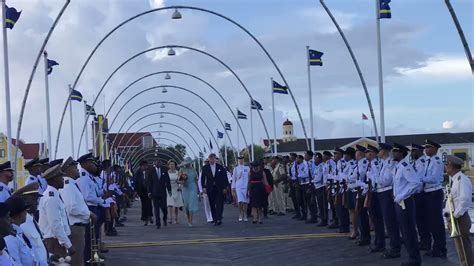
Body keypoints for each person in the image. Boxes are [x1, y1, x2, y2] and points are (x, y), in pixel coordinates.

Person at [60, 157, 97, 266]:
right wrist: (89, 213)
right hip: (75, 229)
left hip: (78, 227)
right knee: (76, 260)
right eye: (75, 168)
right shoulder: (68, 185)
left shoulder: (72, 184)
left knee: (79, 259)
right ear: (68, 170)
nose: (77, 170)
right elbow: (71, 208)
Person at [392, 143, 422, 266]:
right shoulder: (398, 166)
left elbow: (415, 182)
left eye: (395, 151)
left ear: (401, 153)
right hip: (399, 202)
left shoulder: (405, 166)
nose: (393, 153)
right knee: (404, 231)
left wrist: (402, 195)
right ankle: (412, 257)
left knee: (408, 231)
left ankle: (414, 259)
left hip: (405, 202)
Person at [38, 164, 76, 261]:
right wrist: (68, 244)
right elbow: (55, 224)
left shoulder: (54, 194)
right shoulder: (51, 198)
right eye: (60, 177)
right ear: (53, 180)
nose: (63, 179)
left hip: (57, 240)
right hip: (54, 242)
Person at [444, 155, 472, 266]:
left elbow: (465, 200)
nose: (446, 167)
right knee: (460, 248)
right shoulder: (455, 179)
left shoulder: (462, 180)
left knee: (464, 247)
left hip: (459, 218)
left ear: (452, 166)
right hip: (455, 217)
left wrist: (455, 215)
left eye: (447, 165)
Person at [12, 183, 48, 266]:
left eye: (37, 199)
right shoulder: (22, 223)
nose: (37, 203)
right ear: (24, 200)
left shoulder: (31, 219)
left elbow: (38, 247)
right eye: (33, 199)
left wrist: (49, 257)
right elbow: (28, 253)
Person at [422, 139, 447, 258]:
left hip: (434, 193)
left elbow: (434, 178)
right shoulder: (428, 161)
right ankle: (435, 247)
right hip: (427, 193)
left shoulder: (436, 162)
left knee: (436, 223)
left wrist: (420, 178)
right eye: (425, 147)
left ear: (435, 149)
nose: (426, 149)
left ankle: (440, 248)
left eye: (428, 147)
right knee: (430, 222)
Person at [377, 143, 402, 259]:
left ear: (385, 151)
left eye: (380, 150)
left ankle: (395, 248)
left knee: (391, 222)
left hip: (387, 192)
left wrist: (375, 178)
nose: (378, 152)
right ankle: (394, 245)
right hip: (382, 192)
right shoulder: (383, 163)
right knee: (388, 221)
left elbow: (386, 180)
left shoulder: (390, 163)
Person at [4, 196, 37, 265]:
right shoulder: (10, 238)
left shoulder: (19, 233)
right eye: (25, 210)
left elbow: (32, 257)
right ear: (20, 214)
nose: (26, 213)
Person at [365, 144, 385, 253]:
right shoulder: (371, 164)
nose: (365, 154)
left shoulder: (376, 163)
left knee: (377, 219)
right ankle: (378, 241)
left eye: (367, 152)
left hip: (376, 193)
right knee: (374, 218)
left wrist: (370, 176)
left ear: (372, 153)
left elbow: (377, 179)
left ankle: (380, 243)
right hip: (372, 192)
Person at [410, 143, 430, 251]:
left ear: (420, 151)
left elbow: (419, 179)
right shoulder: (416, 162)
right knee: (418, 219)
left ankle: (425, 242)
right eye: (412, 151)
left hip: (420, 194)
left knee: (422, 219)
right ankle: (423, 240)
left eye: (414, 151)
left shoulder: (422, 162)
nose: (412, 153)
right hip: (416, 193)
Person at [200, 153, 229, 226]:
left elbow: (225, 178)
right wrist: (203, 187)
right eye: (210, 159)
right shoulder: (205, 168)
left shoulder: (220, 167)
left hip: (219, 188)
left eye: (213, 159)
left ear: (215, 159)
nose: (212, 160)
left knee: (219, 203)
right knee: (212, 204)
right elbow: (203, 178)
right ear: (209, 160)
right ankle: (214, 219)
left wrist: (225, 187)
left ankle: (219, 218)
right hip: (210, 188)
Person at [147, 159, 172, 229]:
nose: (158, 164)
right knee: (156, 208)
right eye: (156, 163)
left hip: (163, 192)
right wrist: (149, 192)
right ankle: (158, 223)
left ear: (161, 164)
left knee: (164, 207)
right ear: (155, 164)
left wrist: (169, 190)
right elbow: (149, 182)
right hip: (154, 193)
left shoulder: (164, 170)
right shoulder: (151, 171)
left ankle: (165, 217)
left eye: (159, 163)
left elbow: (167, 181)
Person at [178, 158, 199, 226]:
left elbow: (196, 180)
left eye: (189, 163)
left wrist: (198, 190)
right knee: (186, 205)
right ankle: (188, 218)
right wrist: (181, 181)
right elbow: (179, 180)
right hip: (185, 188)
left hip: (193, 187)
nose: (187, 164)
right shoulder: (181, 170)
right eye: (186, 163)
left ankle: (190, 221)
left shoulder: (193, 170)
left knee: (191, 204)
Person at [334, 148, 350, 233]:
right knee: (338, 207)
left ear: (340, 155)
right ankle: (342, 225)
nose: (335, 155)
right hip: (338, 187)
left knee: (342, 208)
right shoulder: (338, 163)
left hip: (343, 187)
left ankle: (345, 226)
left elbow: (344, 175)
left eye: (336, 154)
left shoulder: (344, 163)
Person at [134, 160, 154, 226]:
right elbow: (136, 182)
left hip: (149, 190)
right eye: (144, 166)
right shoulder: (138, 172)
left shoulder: (150, 171)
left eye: (146, 165)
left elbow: (152, 180)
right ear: (141, 166)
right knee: (144, 205)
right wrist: (135, 191)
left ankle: (150, 217)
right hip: (141, 190)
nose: (145, 167)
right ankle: (145, 219)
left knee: (149, 204)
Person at [232, 156, 250, 222]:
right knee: (240, 201)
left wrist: (249, 186)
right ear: (238, 160)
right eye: (239, 160)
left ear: (243, 160)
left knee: (245, 202)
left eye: (242, 159)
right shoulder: (236, 169)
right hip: (238, 186)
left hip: (245, 186)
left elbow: (249, 177)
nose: (241, 161)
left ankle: (245, 214)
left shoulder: (247, 168)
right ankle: (240, 214)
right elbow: (233, 178)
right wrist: (233, 187)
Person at [322, 151, 337, 228]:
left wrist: (329, 186)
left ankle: (336, 220)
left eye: (324, 156)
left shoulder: (332, 163)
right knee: (331, 204)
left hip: (331, 185)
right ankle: (334, 219)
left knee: (333, 204)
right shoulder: (327, 163)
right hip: (327, 185)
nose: (323, 157)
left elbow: (331, 175)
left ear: (327, 156)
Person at [167, 160, 184, 224]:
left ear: (175, 165)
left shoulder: (178, 172)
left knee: (176, 205)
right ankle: (170, 218)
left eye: (173, 164)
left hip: (176, 189)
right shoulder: (166, 173)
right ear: (168, 165)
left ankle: (176, 218)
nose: (172, 165)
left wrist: (179, 185)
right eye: (170, 164)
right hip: (169, 189)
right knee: (169, 204)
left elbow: (182, 181)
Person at [313, 153, 327, 226]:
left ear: (319, 158)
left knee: (322, 205)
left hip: (321, 187)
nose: (314, 160)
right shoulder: (318, 167)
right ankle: (322, 219)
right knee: (320, 204)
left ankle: (324, 220)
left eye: (315, 158)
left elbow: (319, 178)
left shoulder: (322, 166)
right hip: (317, 187)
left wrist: (312, 181)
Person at [288, 153, 301, 219]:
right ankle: (297, 212)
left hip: (296, 182)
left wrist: (295, 180)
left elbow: (297, 174)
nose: (289, 158)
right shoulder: (291, 164)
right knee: (293, 197)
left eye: (290, 156)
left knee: (297, 198)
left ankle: (299, 212)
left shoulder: (296, 164)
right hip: (291, 181)